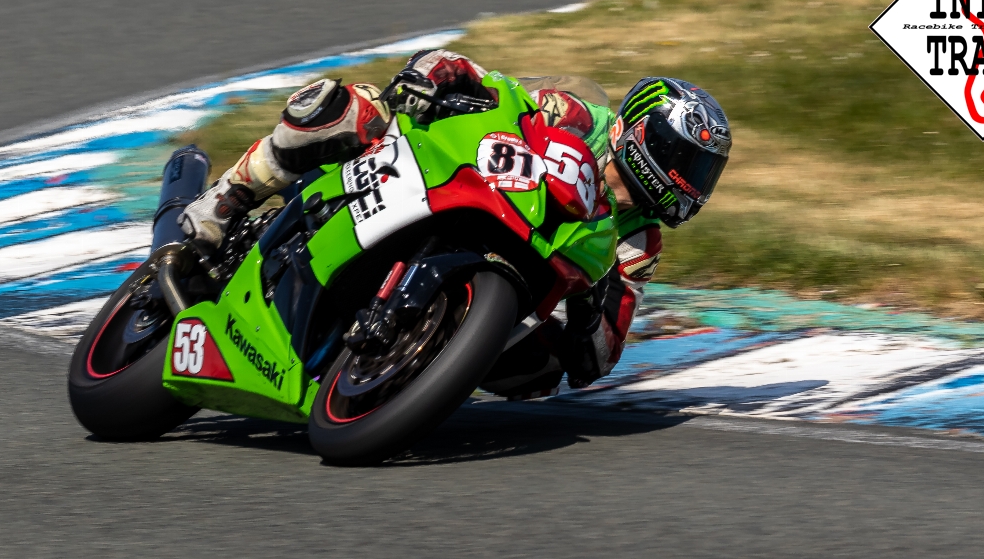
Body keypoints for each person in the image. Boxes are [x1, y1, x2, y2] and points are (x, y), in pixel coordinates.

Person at [180, 50, 731, 395]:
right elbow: (494, 88)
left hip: (516, 266)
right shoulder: (576, 115)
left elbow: (598, 358)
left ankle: (420, 364)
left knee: (540, 372)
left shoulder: (639, 242)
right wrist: (434, 77)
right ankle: (226, 200)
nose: (689, 182)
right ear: (640, 134)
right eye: (684, 161)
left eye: (702, 173)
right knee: (352, 108)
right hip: (457, 182)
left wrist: (591, 300)